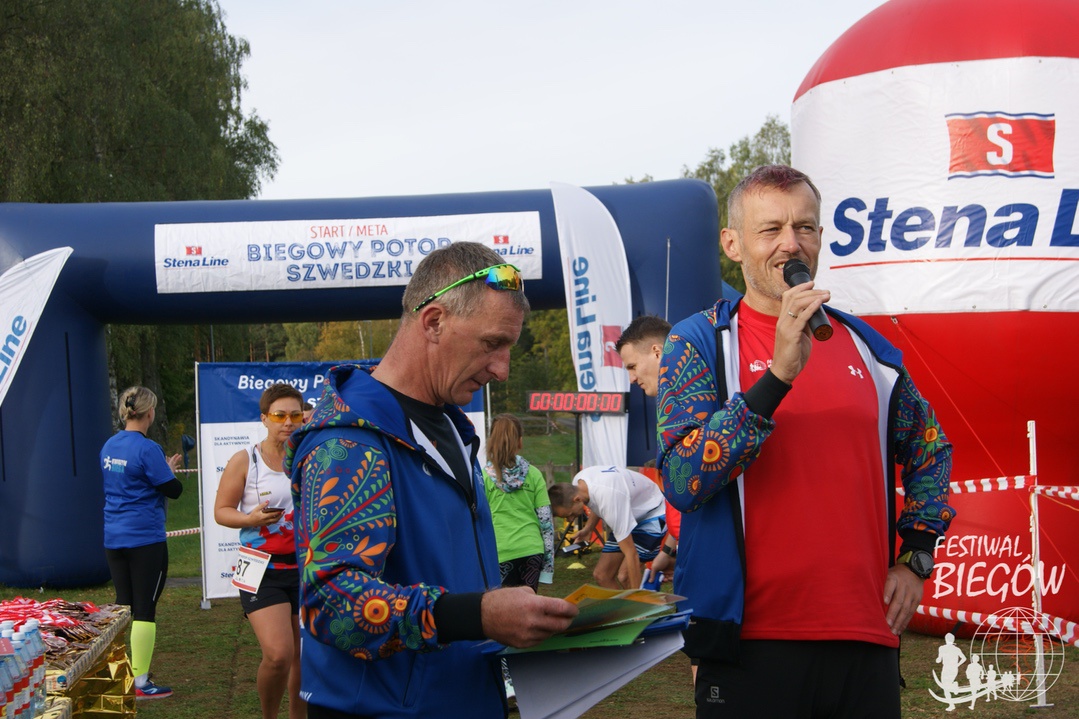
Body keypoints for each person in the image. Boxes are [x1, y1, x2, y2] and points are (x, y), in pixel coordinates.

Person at [656, 164, 955, 718]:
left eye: (805, 227)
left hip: (864, 634)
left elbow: (930, 449)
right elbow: (681, 479)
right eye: (770, 229)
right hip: (749, 641)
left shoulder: (869, 347)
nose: (790, 243)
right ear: (733, 244)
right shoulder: (698, 341)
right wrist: (776, 379)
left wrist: (916, 556)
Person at [285, 242, 578, 719]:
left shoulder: (452, 429)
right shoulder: (349, 443)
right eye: (492, 344)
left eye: (508, 348)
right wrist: (477, 616)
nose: (502, 370)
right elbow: (331, 605)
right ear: (434, 321)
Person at [215, 384, 307, 719]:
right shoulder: (246, 460)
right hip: (261, 569)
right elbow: (221, 511)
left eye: (295, 415)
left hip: (305, 568)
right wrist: (250, 519)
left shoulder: (310, 456)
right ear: (264, 418)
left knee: (303, 657)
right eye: (279, 415)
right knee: (279, 654)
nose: (288, 422)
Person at [100, 386, 183, 700]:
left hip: (114, 536)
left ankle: (117, 675)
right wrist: (169, 470)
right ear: (149, 413)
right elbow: (173, 489)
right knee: (144, 608)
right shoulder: (148, 449)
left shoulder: (109, 445)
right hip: (145, 539)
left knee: (123, 605)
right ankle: (141, 682)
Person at [548, 465, 666, 591]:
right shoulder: (579, 483)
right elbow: (597, 502)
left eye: (570, 515)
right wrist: (588, 529)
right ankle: (626, 603)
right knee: (602, 575)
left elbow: (631, 554)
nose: (570, 520)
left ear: (576, 499)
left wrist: (636, 594)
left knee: (624, 576)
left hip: (653, 512)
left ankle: (641, 601)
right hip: (628, 511)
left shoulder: (610, 500)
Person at [482, 414, 555, 591]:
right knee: (528, 604)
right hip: (532, 551)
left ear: (491, 441)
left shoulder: (482, 477)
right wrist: (548, 567)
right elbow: (546, 523)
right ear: (520, 441)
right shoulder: (534, 474)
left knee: (504, 606)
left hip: (499, 552)